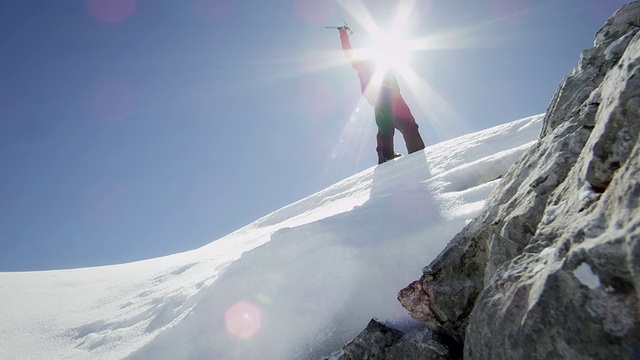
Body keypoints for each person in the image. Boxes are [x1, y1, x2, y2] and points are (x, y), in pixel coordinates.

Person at [337, 26, 425, 164]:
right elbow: (349, 54)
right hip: (379, 93)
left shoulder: (386, 64)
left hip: (394, 94)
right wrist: (343, 34)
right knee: (386, 123)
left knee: (409, 124)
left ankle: (418, 152)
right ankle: (386, 156)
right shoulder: (362, 64)